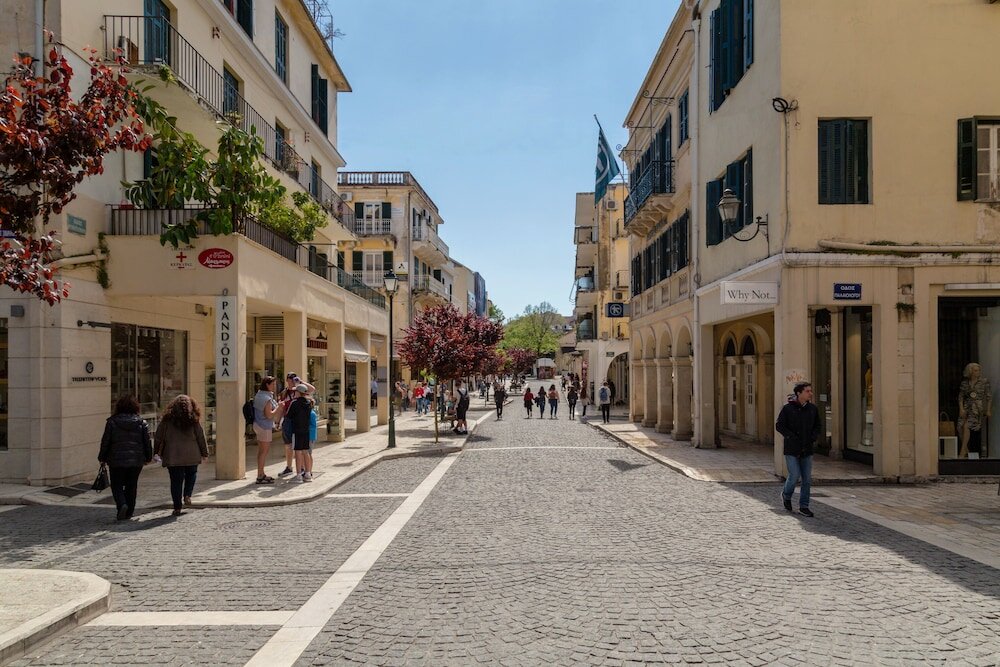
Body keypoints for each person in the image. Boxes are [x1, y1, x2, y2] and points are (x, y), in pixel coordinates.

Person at [99, 395, 153, 521]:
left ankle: (122, 504)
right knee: (131, 485)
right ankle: (129, 512)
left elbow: (105, 441)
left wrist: (102, 457)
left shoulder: (112, 422)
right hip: (136, 460)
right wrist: (148, 457)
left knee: (117, 485)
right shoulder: (141, 423)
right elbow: (147, 442)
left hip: (116, 459)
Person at [154, 395, 209, 516]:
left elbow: (158, 437)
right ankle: (188, 495)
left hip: (173, 455)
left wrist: (156, 452)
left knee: (175, 482)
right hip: (192, 455)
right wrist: (204, 453)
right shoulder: (193, 419)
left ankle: (177, 507)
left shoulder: (167, 420)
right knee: (191, 474)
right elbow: (200, 437)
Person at [775, 382, 821, 517]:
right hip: (792, 448)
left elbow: (818, 425)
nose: (810, 393)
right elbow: (780, 425)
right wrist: (790, 436)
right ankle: (786, 495)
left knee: (806, 479)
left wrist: (813, 437)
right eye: (807, 391)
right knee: (794, 475)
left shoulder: (813, 409)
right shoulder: (788, 409)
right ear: (799, 393)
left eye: (810, 391)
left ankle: (804, 506)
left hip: (807, 448)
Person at [278, 374, 315, 478]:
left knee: (298, 450)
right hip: (289, 422)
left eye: (294, 379)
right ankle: (291, 467)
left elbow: (312, 389)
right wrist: (278, 421)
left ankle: (302, 470)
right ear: (287, 380)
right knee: (289, 445)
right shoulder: (284, 393)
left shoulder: (299, 392)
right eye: (291, 379)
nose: (292, 381)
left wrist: (301, 381)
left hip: (296, 425)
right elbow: (282, 408)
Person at [252, 376, 281, 485]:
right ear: (267, 385)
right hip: (264, 426)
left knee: (261, 451)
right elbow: (269, 415)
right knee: (264, 452)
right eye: (273, 384)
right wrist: (279, 407)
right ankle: (260, 475)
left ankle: (261, 473)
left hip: (258, 424)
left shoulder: (259, 395)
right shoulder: (266, 398)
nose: (275, 386)